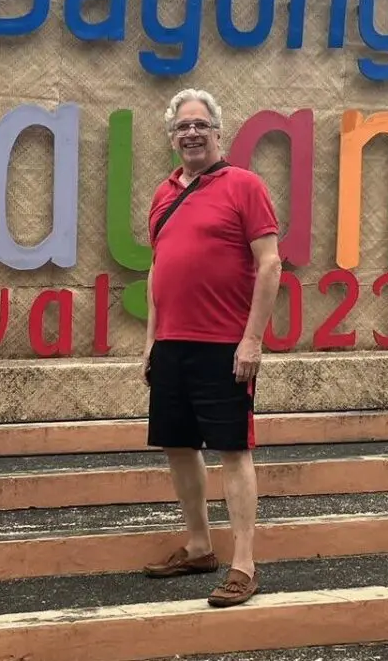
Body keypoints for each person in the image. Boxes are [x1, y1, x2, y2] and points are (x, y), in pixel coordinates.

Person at [138, 87, 282, 608]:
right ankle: (199, 545)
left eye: (200, 124)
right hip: (172, 344)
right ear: (172, 136)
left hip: (225, 345)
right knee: (178, 445)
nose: (191, 133)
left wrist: (252, 339)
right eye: (182, 127)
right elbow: (157, 268)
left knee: (233, 451)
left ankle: (244, 564)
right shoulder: (162, 193)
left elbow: (270, 263)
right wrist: (152, 339)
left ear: (218, 132)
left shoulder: (244, 186)